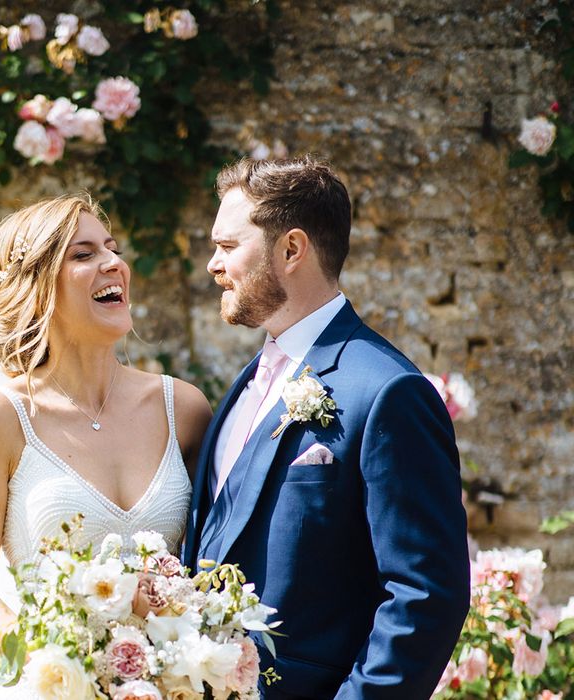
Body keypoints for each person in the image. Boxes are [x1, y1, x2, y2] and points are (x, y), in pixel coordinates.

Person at [183, 155, 470, 699]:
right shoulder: (243, 388)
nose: (212, 265)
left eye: (227, 246)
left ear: (291, 249)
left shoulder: (387, 390)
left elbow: (424, 594)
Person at [0, 194, 211, 699]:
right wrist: (52, 661)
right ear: (37, 287)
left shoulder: (185, 410)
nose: (114, 264)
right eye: (83, 254)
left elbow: (211, 561)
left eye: (113, 249)